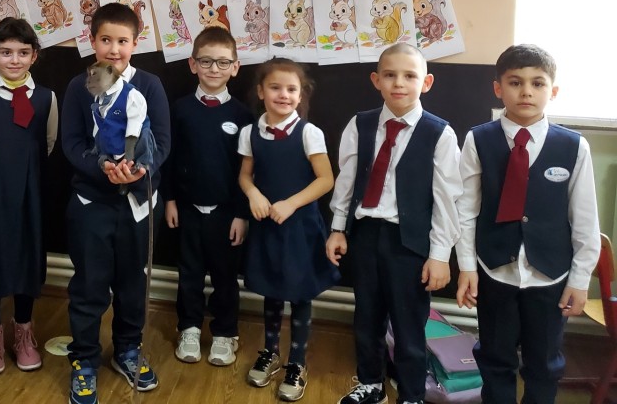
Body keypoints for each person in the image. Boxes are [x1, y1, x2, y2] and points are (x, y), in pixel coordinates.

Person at [455, 44, 599, 404]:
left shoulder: (574, 146)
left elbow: (584, 219)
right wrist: (468, 267)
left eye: (538, 83)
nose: (526, 92)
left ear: (553, 91)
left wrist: (580, 280)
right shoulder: (478, 139)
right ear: (498, 88)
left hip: (550, 277)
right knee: (495, 358)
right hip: (495, 272)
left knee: (545, 364)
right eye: (515, 82)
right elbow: (466, 209)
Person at [326, 42, 461, 404]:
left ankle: (412, 394)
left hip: (410, 243)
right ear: (376, 80)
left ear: (426, 83)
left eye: (409, 76)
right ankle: (371, 384)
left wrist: (439, 255)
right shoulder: (361, 124)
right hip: (366, 235)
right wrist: (338, 228)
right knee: (366, 318)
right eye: (390, 75)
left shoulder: (440, 133)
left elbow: (447, 200)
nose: (399, 83)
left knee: (408, 325)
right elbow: (347, 181)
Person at [61, 2, 171, 404]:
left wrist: (140, 170)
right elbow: (72, 143)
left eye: (122, 41)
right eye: (105, 40)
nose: (113, 49)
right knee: (89, 284)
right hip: (92, 202)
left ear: (135, 44)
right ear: (92, 41)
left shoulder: (149, 86)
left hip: (137, 205)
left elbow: (162, 142)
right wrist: (102, 166)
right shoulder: (79, 86)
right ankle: (84, 359)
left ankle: (127, 349)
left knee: (131, 283)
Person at [238, 57, 339, 401]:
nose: (283, 94)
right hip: (267, 226)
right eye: (275, 87)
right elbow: (245, 175)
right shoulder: (250, 132)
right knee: (271, 289)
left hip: (300, 228)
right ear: (260, 92)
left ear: (301, 95)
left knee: (299, 292)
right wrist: (253, 194)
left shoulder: (309, 133)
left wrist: (291, 203)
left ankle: (297, 362)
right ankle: (270, 352)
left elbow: (326, 180)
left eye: (291, 89)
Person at [162, 26, 251, 367]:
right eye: (206, 61)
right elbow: (169, 158)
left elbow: (247, 170)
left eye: (223, 62)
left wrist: (241, 214)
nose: (214, 68)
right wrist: (170, 199)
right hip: (187, 209)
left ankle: (225, 333)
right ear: (192, 64)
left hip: (227, 213)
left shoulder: (243, 115)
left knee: (226, 277)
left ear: (235, 67)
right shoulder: (179, 109)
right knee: (189, 274)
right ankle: (189, 328)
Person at [0, 17, 57, 375]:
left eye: (23, 52)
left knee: (27, 258)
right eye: (6, 52)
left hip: (30, 192)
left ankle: (23, 331)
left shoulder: (47, 97)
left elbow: (49, 143)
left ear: (34, 56)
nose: (14, 59)